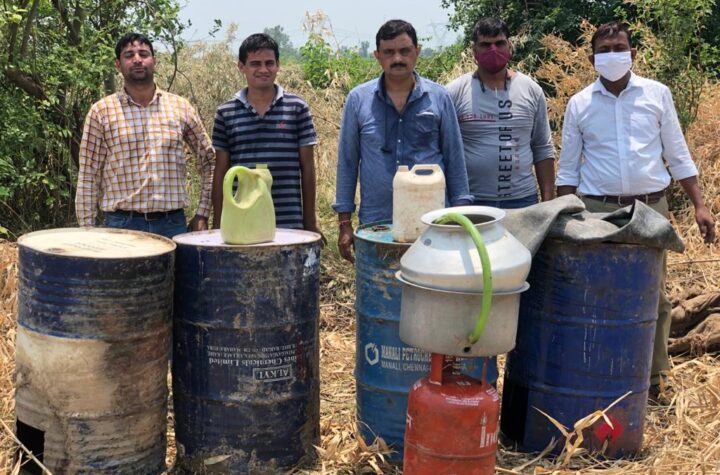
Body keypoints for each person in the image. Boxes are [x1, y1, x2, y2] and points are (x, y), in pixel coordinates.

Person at [556, 21, 717, 394]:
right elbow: (568, 168)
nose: (612, 55)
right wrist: (563, 215)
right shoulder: (580, 104)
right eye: (604, 50)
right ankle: (602, 372)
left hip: (650, 210)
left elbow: (677, 153)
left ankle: (654, 378)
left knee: (654, 295)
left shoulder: (657, 95)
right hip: (597, 211)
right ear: (592, 59)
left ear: (632, 53)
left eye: (619, 48)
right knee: (598, 292)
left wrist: (700, 205)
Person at [333, 19, 472, 262]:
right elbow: (347, 162)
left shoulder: (439, 98)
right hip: (377, 223)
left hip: (432, 221)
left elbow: (454, 158)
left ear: (417, 51)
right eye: (389, 52)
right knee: (380, 283)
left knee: (430, 283)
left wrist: (461, 216)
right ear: (377, 55)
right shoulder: (358, 100)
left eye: (405, 51)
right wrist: (344, 223)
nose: (397, 58)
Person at [76, 32, 215, 238]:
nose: (137, 59)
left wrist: (203, 213)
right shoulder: (101, 112)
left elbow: (210, 161)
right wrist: (87, 231)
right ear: (118, 65)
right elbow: (89, 175)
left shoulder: (180, 107)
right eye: (129, 55)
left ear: (154, 61)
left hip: (172, 225)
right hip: (121, 225)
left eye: (143, 54)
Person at [212, 33, 323, 238]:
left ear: (278, 65)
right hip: (242, 222)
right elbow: (221, 171)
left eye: (269, 63)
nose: (263, 69)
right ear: (241, 67)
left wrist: (310, 222)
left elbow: (307, 167)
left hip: (289, 222)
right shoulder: (226, 113)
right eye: (255, 64)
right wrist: (218, 226)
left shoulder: (297, 108)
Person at [446, 17, 555, 208]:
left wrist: (548, 205)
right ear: (474, 51)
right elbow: (443, 149)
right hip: (472, 201)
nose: (493, 50)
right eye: (485, 45)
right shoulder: (454, 92)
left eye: (499, 43)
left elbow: (542, 148)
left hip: (523, 200)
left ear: (510, 47)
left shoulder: (531, 90)